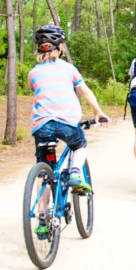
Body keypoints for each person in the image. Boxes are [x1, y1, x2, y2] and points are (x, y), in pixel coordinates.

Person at [29, 25, 109, 194]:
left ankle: (43, 217)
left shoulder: (33, 73)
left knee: (44, 173)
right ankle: (75, 173)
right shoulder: (69, 69)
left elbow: (39, 91)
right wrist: (98, 112)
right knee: (79, 145)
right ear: (59, 48)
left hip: (41, 126)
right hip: (66, 122)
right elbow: (85, 93)